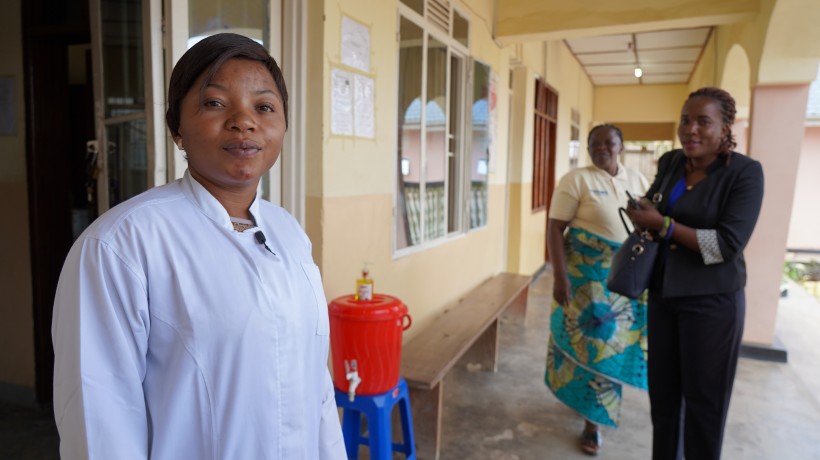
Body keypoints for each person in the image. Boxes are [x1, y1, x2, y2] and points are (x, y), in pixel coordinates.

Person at [51, 33, 346, 459]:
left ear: (282, 125)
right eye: (215, 103)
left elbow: (316, 386)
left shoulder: (290, 233)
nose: (244, 121)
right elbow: (100, 427)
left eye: (264, 107)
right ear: (177, 129)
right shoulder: (120, 245)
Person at [627, 87, 764, 460]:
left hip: (712, 304)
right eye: (686, 119)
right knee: (665, 401)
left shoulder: (745, 174)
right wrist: (641, 209)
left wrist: (664, 225)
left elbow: (725, 245)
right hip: (664, 296)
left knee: (705, 405)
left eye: (704, 121)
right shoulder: (671, 162)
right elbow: (655, 203)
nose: (691, 129)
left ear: (725, 127)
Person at [545, 124, 650, 456]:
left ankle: (590, 409)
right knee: (595, 345)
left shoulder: (636, 180)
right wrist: (559, 277)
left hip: (625, 280)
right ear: (588, 149)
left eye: (609, 142)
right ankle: (593, 423)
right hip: (585, 279)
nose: (602, 148)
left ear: (621, 145)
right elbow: (555, 229)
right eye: (595, 144)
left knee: (613, 348)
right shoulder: (577, 180)